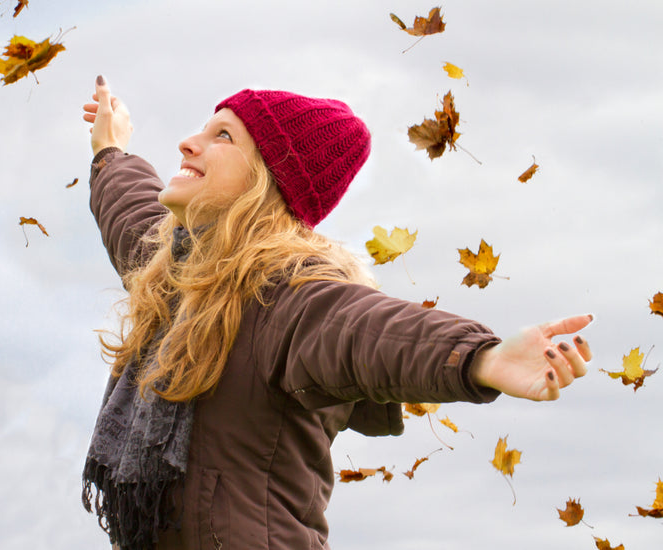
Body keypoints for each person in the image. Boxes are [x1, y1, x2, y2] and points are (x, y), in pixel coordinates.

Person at [79, 75, 592, 550]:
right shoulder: (175, 276)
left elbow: (368, 332)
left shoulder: (287, 298)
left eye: (224, 136)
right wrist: (109, 150)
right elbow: (131, 209)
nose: (189, 142)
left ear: (268, 182)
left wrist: (479, 357)